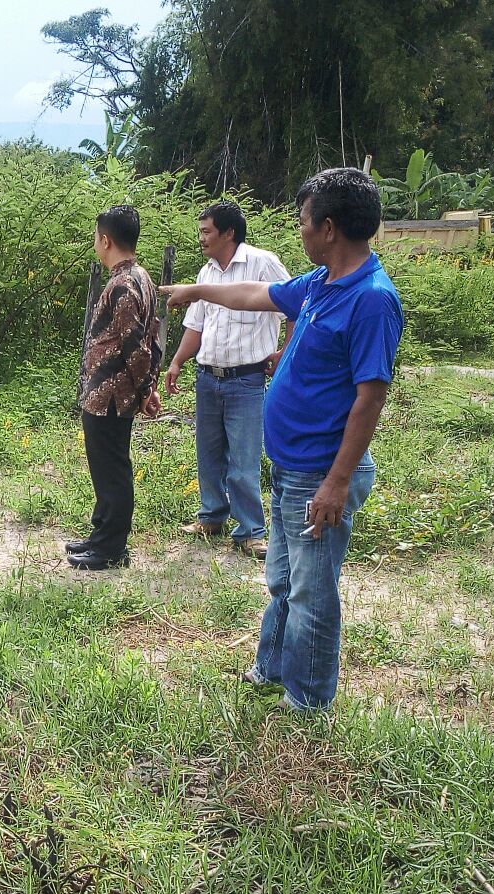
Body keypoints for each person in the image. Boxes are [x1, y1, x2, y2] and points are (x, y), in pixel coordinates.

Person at [164, 169, 403, 711]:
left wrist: (337, 483)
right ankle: (272, 671)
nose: (299, 231)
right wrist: (197, 290)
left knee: (311, 593)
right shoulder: (321, 284)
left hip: (321, 474)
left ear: (329, 227)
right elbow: (256, 294)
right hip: (293, 470)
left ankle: (308, 700)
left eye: (302, 221)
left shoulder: (370, 300)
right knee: (283, 580)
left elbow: (370, 399)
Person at [165, 202, 291, 559]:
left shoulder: (262, 263)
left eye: (207, 231)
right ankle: (211, 516)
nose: (201, 238)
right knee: (208, 453)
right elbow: (196, 325)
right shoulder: (205, 274)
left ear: (229, 232)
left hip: (246, 379)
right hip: (208, 378)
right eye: (200, 231)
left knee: (243, 459)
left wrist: (285, 351)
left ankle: (250, 530)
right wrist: (177, 361)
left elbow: (294, 307)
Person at [67, 205, 163, 571]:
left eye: (96, 237)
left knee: (112, 470)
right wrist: (148, 386)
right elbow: (151, 340)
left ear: (105, 240)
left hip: (110, 394)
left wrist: (144, 391)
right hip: (111, 393)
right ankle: (101, 535)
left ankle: (110, 548)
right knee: (106, 467)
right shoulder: (142, 278)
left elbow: (134, 345)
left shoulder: (123, 284)